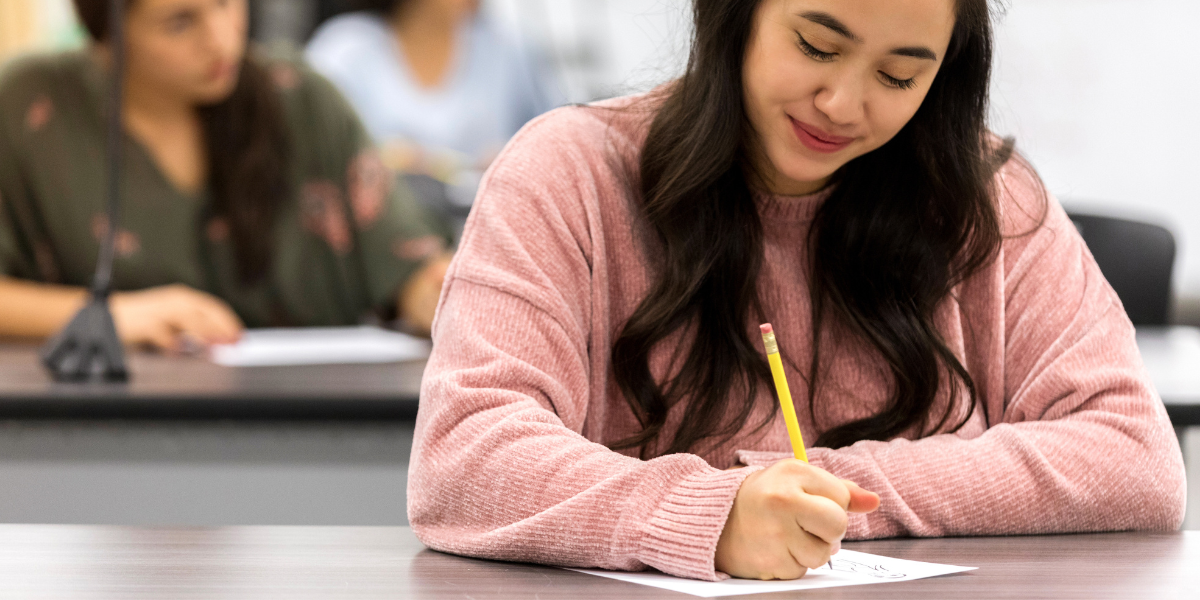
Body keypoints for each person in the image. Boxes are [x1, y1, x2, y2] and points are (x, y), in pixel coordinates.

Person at [408, 0, 1187, 583]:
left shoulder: (985, 199)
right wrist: (710, 517)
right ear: (736, 15)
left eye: (898, 74)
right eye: (817, 45)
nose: (844, 105)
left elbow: (1132, 456)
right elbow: (464, 454)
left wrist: (831, 492)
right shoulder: (567, 175)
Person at [0, 0, 453, 352]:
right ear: (108, 32)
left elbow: (409, 267)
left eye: (225, 3)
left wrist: (437, 297)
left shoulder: (302, 101)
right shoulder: (28, 109)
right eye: (180, 22)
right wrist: (112, 317)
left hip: (317, 432)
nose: (221, 40)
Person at [305, 0, 562, 181]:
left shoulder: (510, 48)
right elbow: (312, 159)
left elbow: (559, 151)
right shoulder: (341, 52)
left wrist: (516, 160)